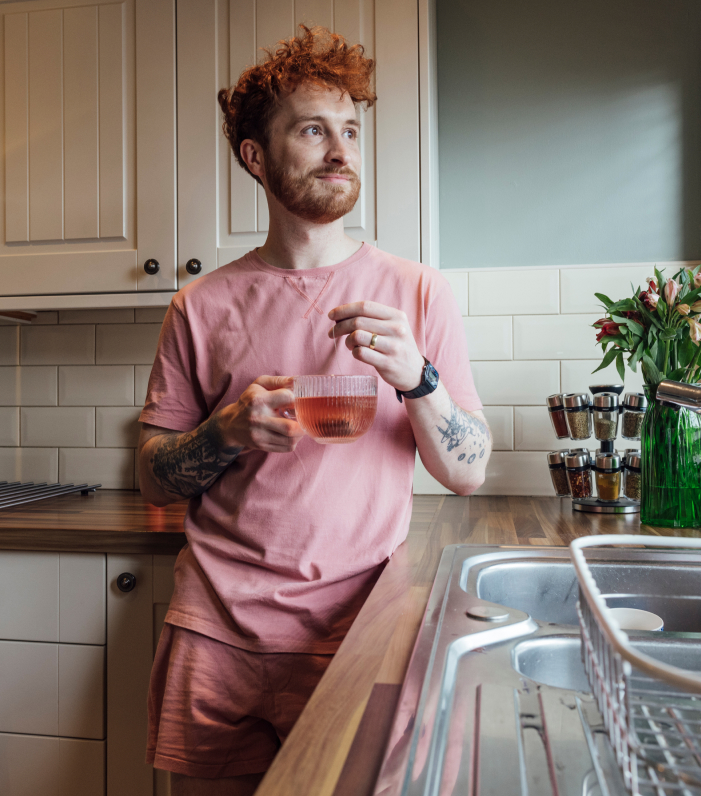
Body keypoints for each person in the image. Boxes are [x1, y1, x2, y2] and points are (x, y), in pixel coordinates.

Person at [136, 25, 490, 796]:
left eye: (352, 131)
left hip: (357, 629)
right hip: (215, 631)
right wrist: (225, 432)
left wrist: (419, 380)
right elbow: (155, 478)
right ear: (255, 157)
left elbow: (468, 472)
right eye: (312, 129)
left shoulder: (416, 292)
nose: (341, 151)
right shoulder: (198, 303)